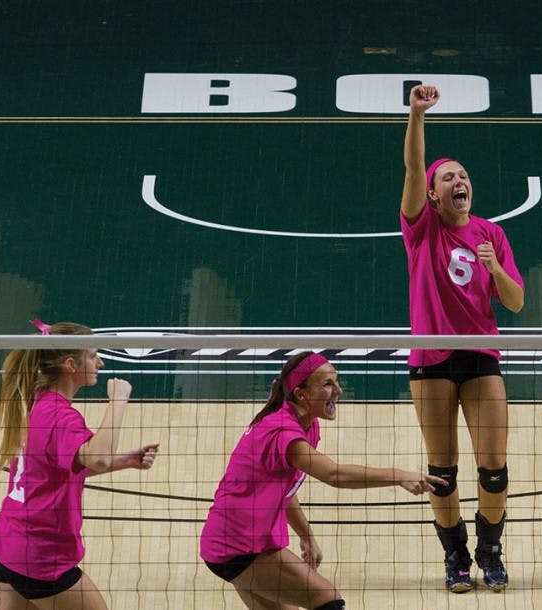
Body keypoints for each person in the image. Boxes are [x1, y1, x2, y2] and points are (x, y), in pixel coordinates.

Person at [400, 84, 525, 593]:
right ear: (433, 194)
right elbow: (414, 169)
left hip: (480, 357)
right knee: (443, 471)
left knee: (493, 470)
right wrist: (417, 114)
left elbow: (516, 302)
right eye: (448, 177)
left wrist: (495, 270)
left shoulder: (491, 235)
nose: (459, 181)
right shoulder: (422, 229)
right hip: (431, 360)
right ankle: (455, 556)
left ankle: (489, 551)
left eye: (464, 176)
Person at [199, 351, 446, 610]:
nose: (338, 390)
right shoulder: (283, 433)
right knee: (327, 599)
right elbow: (334, 474)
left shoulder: (306, 425)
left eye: (336, 381)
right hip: (237, 546)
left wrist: (306, 534)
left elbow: (284, 489)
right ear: (301, 394)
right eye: (328, 384)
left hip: (242, 541)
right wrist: (399, 476)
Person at [0, 319, 159, 609]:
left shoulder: (34, 402)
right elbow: (99, 458)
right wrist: (118, 401)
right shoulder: (60, 416)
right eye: (93, 356)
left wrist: (125, 460)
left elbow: (58, 466)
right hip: (40, 559)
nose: (100, 363)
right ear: (70, 365)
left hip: (5, 548)